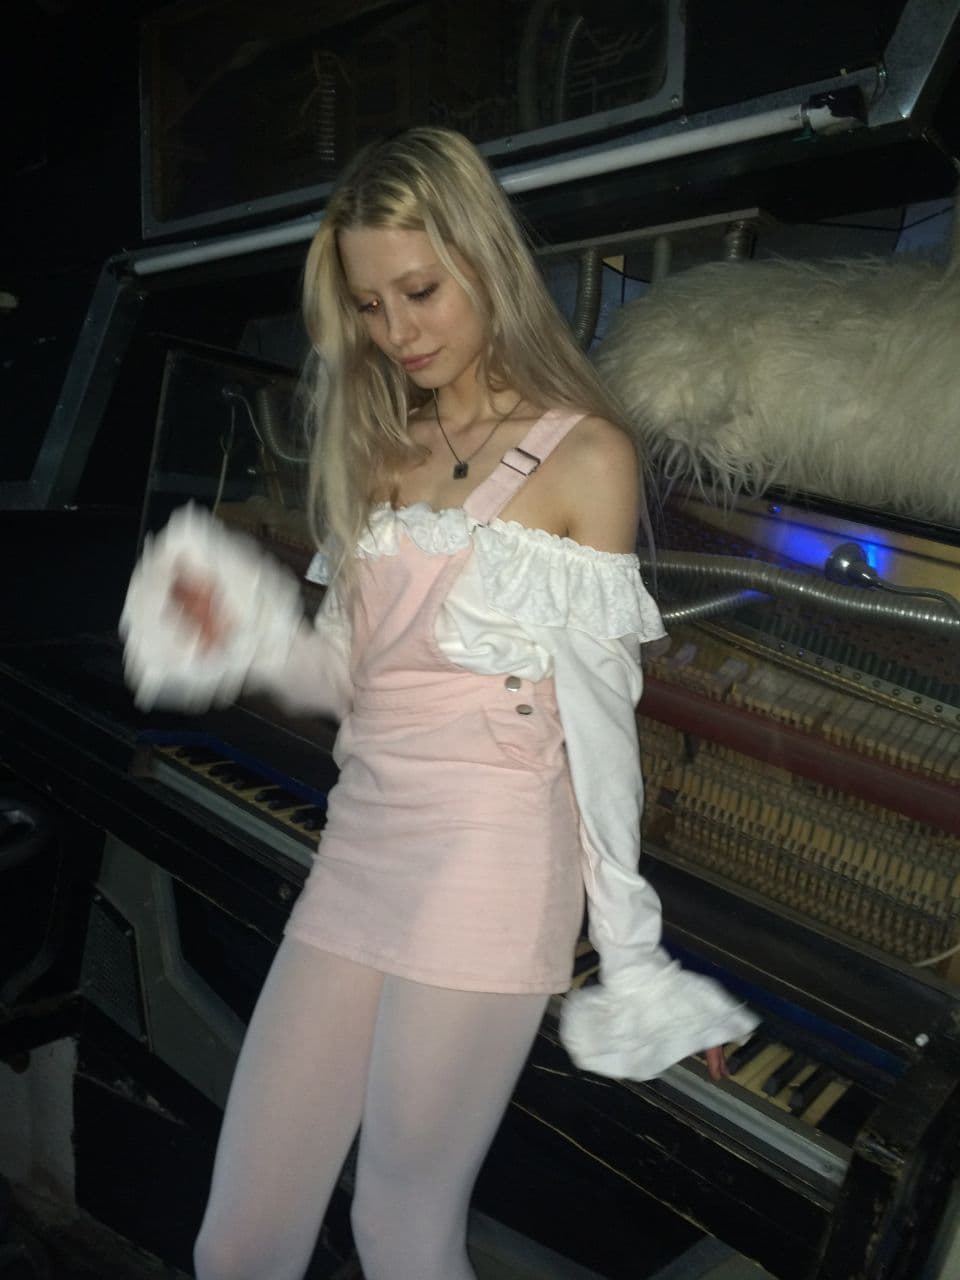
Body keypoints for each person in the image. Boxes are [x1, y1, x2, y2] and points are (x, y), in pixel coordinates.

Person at [120, 127, 757, 1280]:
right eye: (370, 306)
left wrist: (633, 955)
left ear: (486, 259)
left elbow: (600, 733)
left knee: (401, 1231)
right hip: (364, 839)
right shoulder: (381, 444)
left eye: (419, 291)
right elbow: (345, 679)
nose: (398, 331)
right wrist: (245, 627)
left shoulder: (585, 455)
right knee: (240, 1239)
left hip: (490, 855)